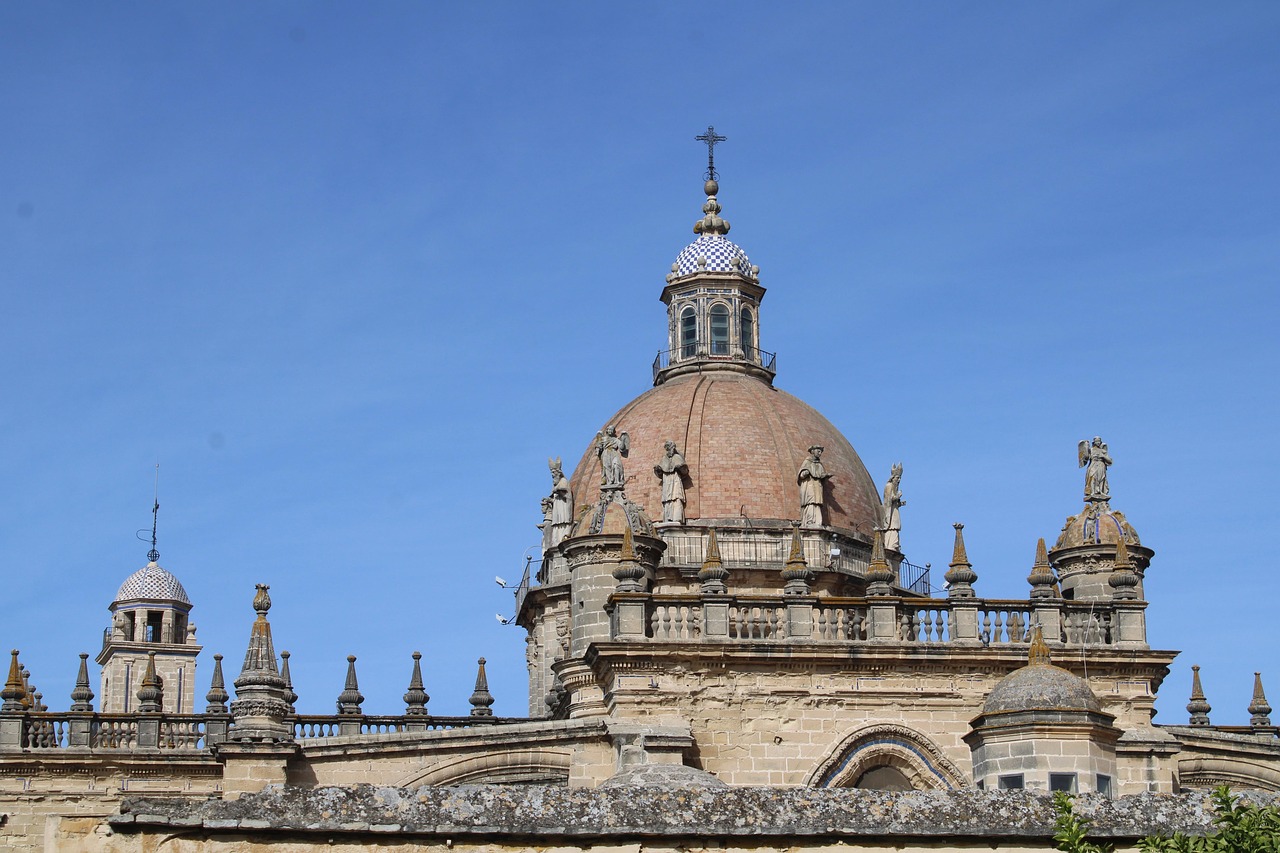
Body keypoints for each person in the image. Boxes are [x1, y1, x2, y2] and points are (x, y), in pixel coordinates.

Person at [653, 440, 689, 523]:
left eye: (671, 447)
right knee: (667, 499)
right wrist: (658, 470)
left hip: (676, 481)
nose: (670, 449)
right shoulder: (664, 459)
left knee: (676, 497)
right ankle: (668, 517)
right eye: (668, 448)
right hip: (667, 482)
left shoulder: (677, 457)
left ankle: (677, 517)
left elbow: (684, 470)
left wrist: (680, 467)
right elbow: (660, 471)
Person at [797, 445, 830, 527]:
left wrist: (825, 476)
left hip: (817, 486)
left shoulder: (819, 464)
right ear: (812, 451)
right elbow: (801, 475)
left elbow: (821, 474)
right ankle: (809, 520)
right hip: (809, 485)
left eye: (821, 451)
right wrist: (806, 472)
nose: (820, 453)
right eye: (818, 451)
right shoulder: (807, 462)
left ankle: (817, 520)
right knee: (810, 501)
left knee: (817, 502)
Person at [548, 458, 574, 546]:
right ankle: (556, 540)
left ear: (559, 474)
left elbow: (566, 493)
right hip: (557, 509)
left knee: (563, 522)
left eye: (554, 475)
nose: (553, 478)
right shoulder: (555, 484)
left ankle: (563, 535)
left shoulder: (563, 481)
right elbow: (555, 497)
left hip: (563, 508)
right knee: (557, 523)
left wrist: (558, 490)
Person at [1078, 437, 1112, 502]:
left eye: (1099, 441)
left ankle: (1101, 491)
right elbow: (1086, 458)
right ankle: (1093, 492)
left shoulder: (1103, 451)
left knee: (1101, 478)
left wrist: (1103, 456)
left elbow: (1110, 461)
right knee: (1092, 477)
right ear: (1094, 442)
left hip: (1101, 465)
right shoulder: (1091, 450)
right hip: (1093, 465)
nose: (1098, 442)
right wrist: (1086, 448)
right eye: (1097, 441)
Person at [882, 463, 905, 551]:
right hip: (890, 513)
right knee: (893, 526)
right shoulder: (889, 486)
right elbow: (888, 500)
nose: (898, 480)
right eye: (897, 478)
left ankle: (894, 545)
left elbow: (892, 501)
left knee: (896, 526)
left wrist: (899, 503)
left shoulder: (894, 487)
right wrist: (898, 496)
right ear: (892, 478)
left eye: (899, 478)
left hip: (894, 510)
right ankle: (891, 545)